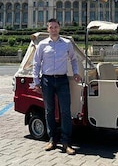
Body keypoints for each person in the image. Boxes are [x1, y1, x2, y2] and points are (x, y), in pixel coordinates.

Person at [32, 18, 82, 155]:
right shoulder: (42, 45)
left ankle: (66, 142)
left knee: (65, 111)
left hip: (62, 80)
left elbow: (73, 59)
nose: (53, 29)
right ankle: (53, 139)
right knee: (49, 111)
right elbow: (36, 63)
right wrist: (36, 82)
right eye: (51, 27)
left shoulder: (66, 44)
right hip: (47, 80)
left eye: (55, 27)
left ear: (59, 28)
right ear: (47, 29)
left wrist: (76, 72)